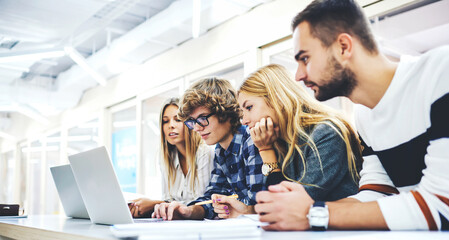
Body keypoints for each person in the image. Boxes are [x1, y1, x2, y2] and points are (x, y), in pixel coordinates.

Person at [255, 0, 449, 231]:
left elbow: (442, 206)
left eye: (304, 58)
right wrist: (298, 208)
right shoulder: (364, 114)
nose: (298, 75)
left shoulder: (441, 72)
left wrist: (315, 213)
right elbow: (379, 193)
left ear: (343, 47)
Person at [237, 63, 362, 201]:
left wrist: (266, 151)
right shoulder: (279, 140)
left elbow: (290, 202)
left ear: (277, 99)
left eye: (249, 107)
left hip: (342, 220)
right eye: (242, 113)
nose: (244, 121)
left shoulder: (327, 133)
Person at [151, 77, 265, 220]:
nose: (197, 128)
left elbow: (259, 204)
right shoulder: (221, 150)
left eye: (203, 118)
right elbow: (211, 198)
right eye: (192, 122)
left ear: (224, 112)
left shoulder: (251, 139)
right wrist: (187, 211)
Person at [129, 98, 214, 217]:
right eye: (165, 121)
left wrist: (155, 204)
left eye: (177, 120)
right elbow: (168, 199)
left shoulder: (205, 152)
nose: (171, 126)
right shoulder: (166, 157)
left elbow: (202, 204)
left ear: (190, 123)